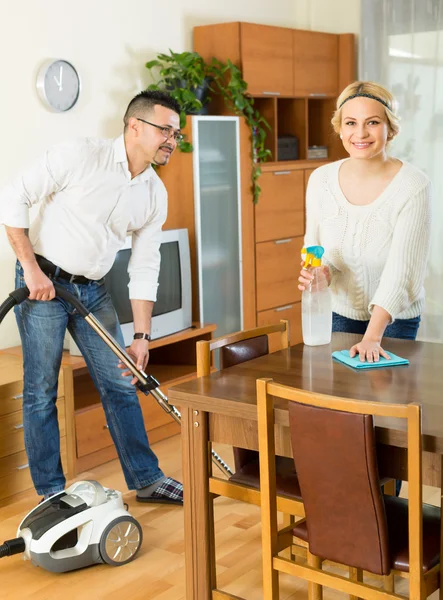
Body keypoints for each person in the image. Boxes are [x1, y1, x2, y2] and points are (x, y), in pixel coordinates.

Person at [0, 90, 185, 505]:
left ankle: (147, 479)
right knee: (41, 390)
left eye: (176, 132)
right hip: (42, 283)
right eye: (165, 129)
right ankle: (50, 494)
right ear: (134, 126)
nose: (172, 139)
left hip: (92, 292)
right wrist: (30, 270)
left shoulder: (154, 194)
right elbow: (13, 196)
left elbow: (144, 265)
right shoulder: (81, 155)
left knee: (120, 384)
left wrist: (142, 336)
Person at [298, 80, 432, 364]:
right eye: (350, 123)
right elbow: (314, 245)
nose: (360, 133)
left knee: (385, 400)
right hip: (340, 312)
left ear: (390, 128)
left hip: (395, 319)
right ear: (340, 128)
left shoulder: (413, 186)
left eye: (372, 122)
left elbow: (403, 272)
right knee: (341, 400)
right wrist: (320, 273)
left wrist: (373, 335)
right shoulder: (320, 180)